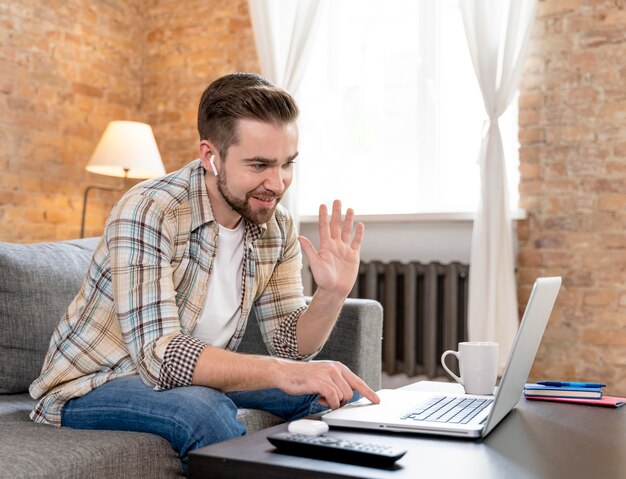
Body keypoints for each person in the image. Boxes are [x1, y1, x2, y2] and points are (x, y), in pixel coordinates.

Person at [29, 72, 379, 471]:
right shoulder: (149, 209)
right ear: (210, 156)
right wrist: (282, 373)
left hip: (193, 379)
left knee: (340, 393)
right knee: (206, 409)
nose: (277, 183)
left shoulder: (275, 225)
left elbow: (290, 345)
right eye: (259, 164)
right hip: (93, 384)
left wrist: (330, 294)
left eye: (287, 165)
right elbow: (159, 357)